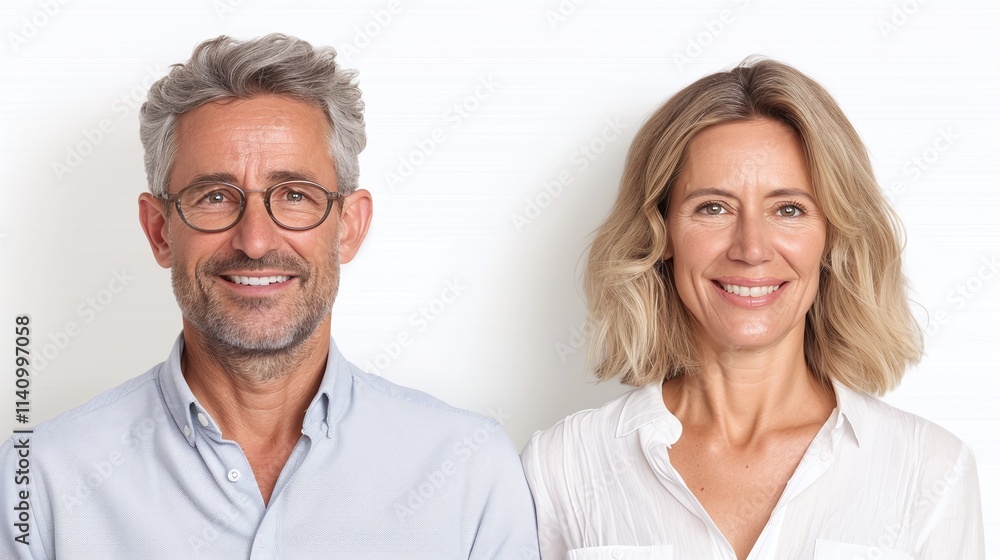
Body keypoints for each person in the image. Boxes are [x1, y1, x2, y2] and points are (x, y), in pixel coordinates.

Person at [1, 34, 538, 559]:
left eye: (295, 195)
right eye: (215, 196)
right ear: (159, 230)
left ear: (349, 227)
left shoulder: (469, 473)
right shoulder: (41, 481)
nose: (255, 241)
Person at [520, 58, 984, 559]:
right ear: (661, 232)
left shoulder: (931, 471)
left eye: (788, 209)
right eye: (713, 207)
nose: (752, 249)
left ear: (833, 236)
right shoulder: (561, 467)